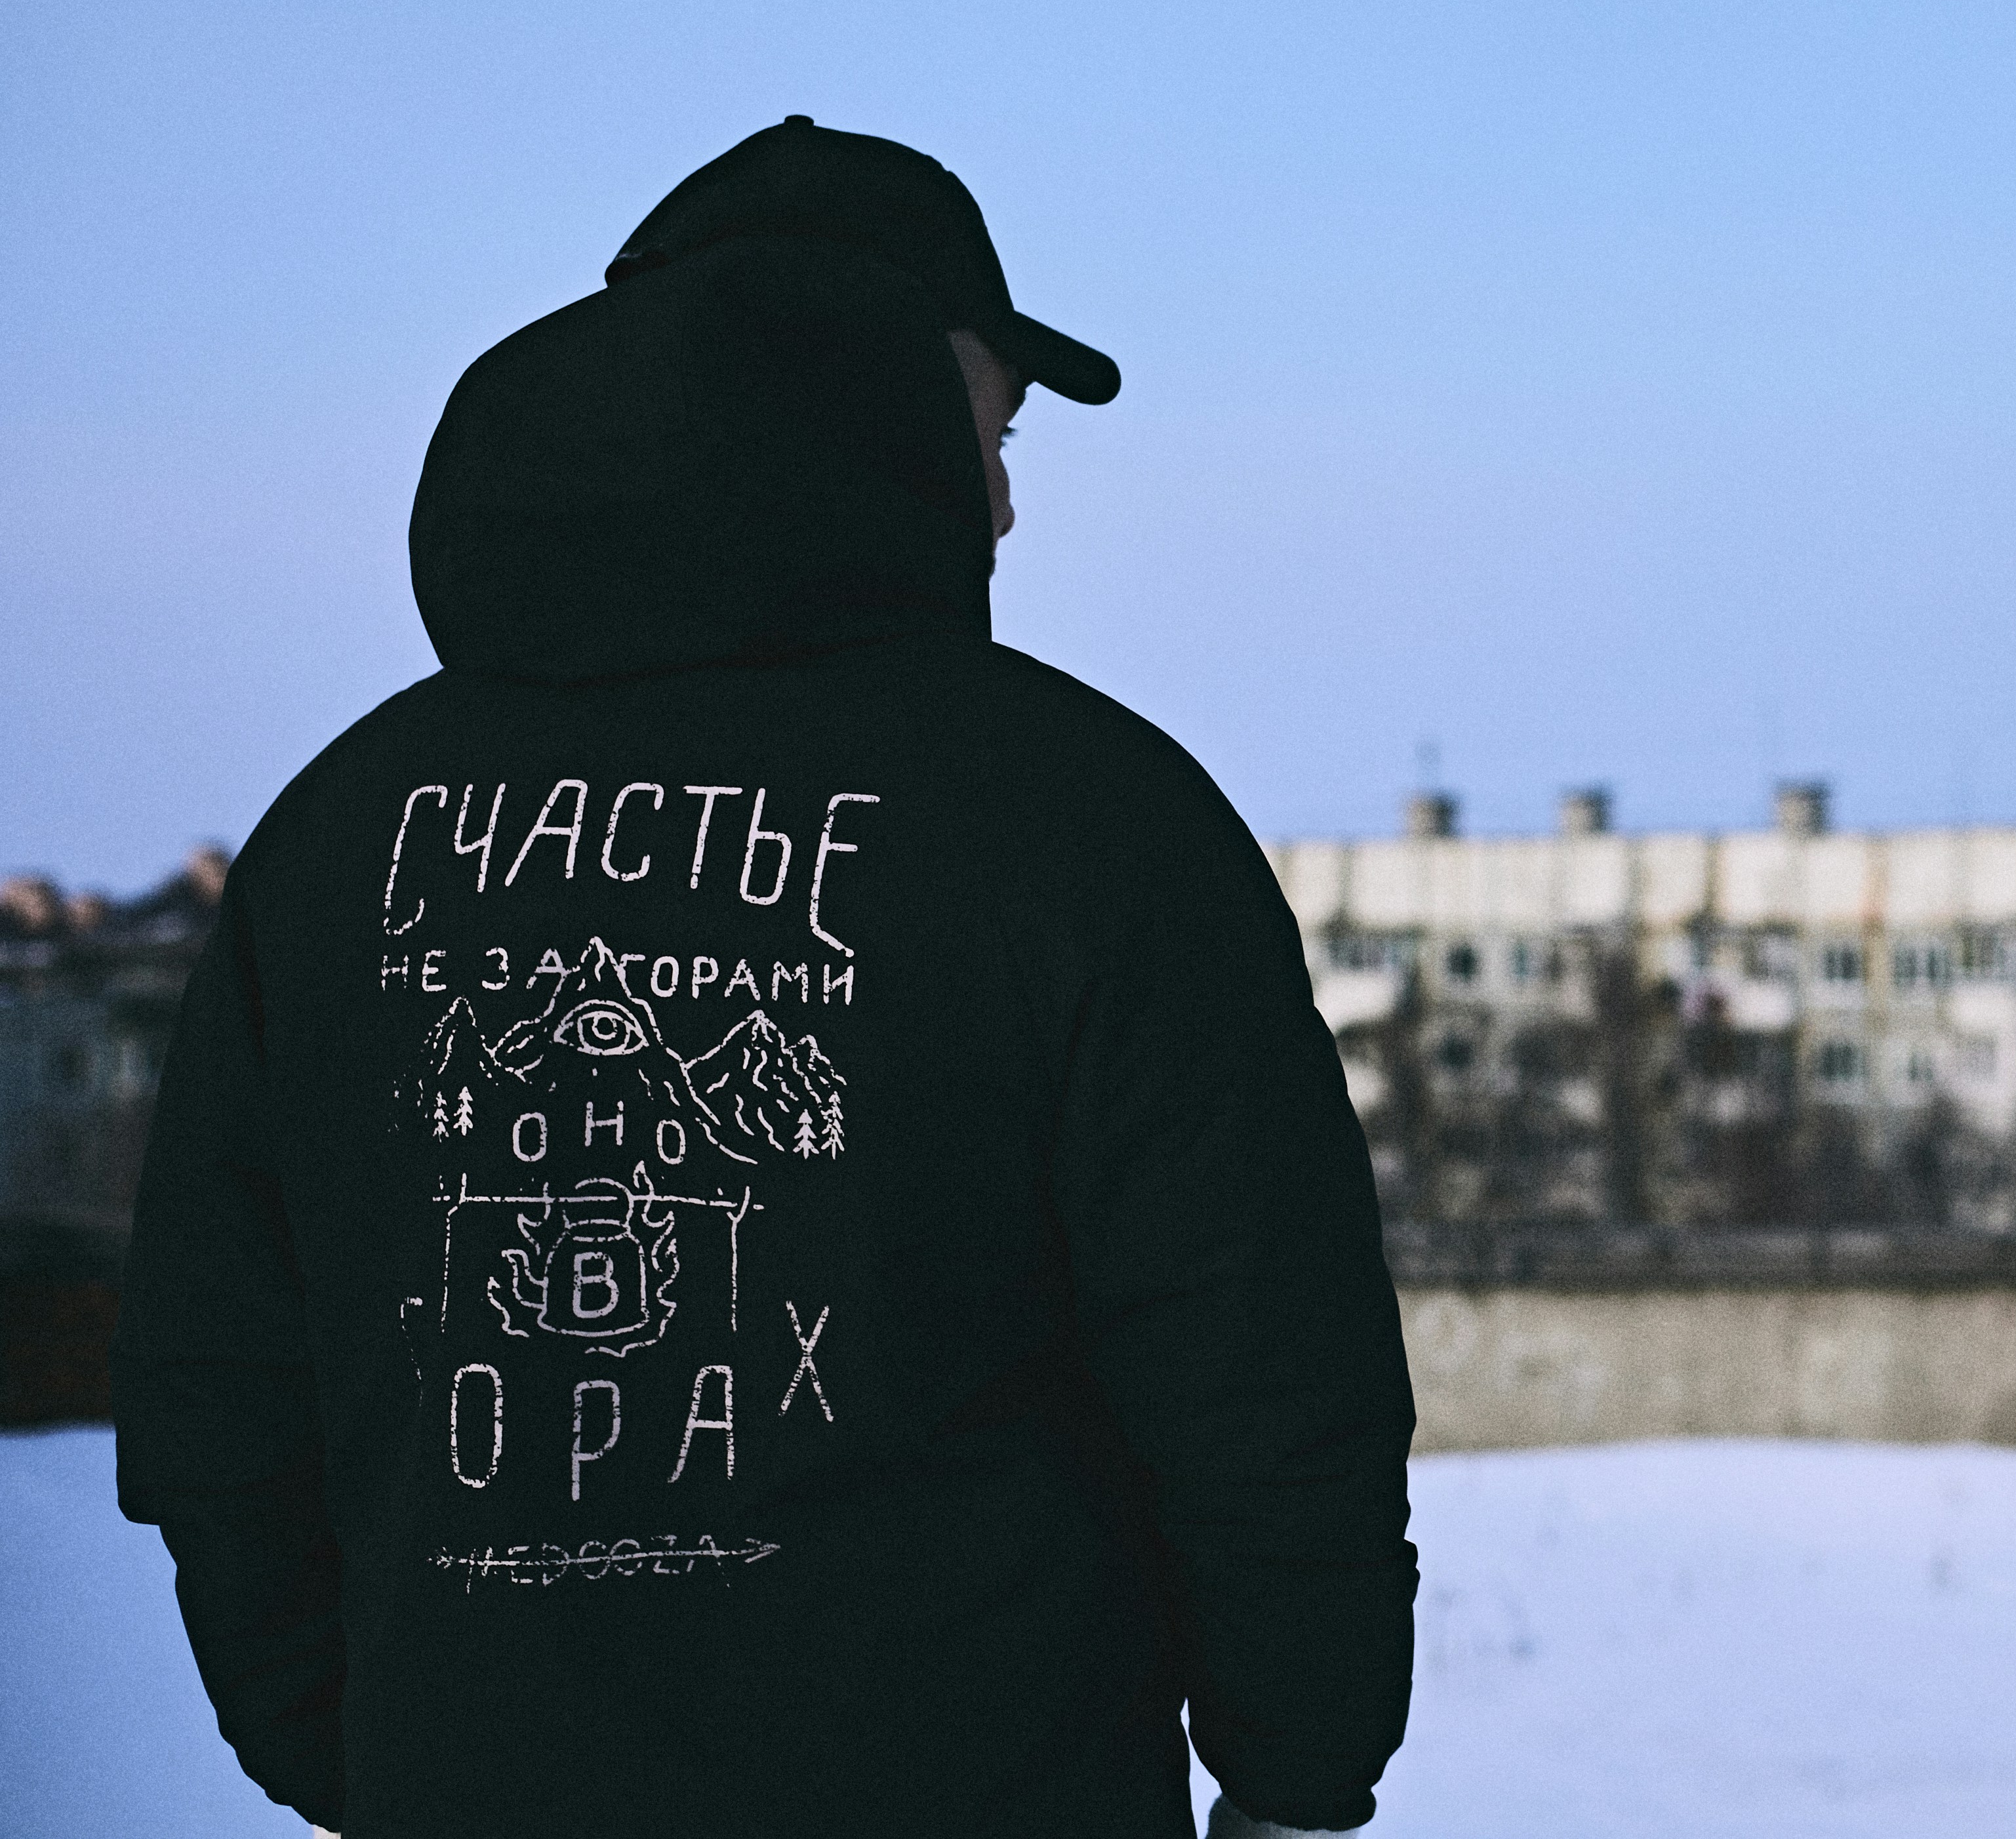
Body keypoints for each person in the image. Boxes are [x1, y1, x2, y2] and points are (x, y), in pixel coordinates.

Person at [112, 117, 1419, 1839]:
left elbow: (216, 1393)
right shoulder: (1090, 818)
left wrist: (370, 1761)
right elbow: (1267, 1379)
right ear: (852, 363)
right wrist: (1299, 1776)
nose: (1008, 495)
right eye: (995, 417)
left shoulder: (341, 832)